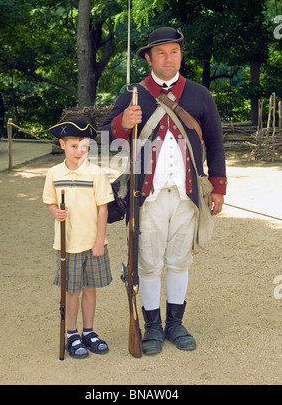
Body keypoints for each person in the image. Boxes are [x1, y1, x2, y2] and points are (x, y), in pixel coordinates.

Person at [102, 27, 227, 355]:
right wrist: (122, 124)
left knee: (179, 262)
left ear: (180, 55)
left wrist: (218, 188)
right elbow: (105, 144)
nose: (169, 58)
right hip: (148, 197)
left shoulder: (200, 95)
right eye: (161, 53)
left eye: (174, 52)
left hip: (187, 196)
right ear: (148, 58)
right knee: (149, 263)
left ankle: (175, 323)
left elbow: (214, 142)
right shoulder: (133, 94)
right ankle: (153, 326)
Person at [43, 120, 114, 359]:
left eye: (84, 146)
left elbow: (103, 209)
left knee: (89, 289)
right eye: (74, 146)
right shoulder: (54, 173)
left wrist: (99, 241)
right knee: (71, 291)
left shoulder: (96, 173)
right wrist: (56, 212)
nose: (79, 151)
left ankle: (88, 332)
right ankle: (72, 334)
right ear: (62, 145)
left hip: (93, 243)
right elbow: (50, 202)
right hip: (68, 244)